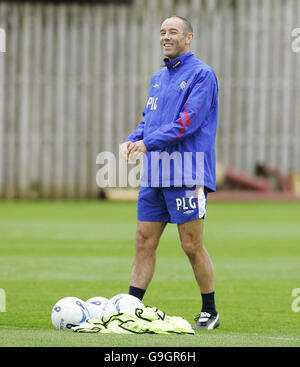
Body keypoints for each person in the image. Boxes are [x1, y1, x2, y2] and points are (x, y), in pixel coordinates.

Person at [121, 15, 220, 330]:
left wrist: (147, 142)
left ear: (189, 38)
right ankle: (131, 307)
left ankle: (210, 311)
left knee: (191, 244)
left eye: (173, 32)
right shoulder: (158, 78)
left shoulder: (202, 75)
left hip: (186, 172)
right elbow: (147, 119)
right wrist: (133, 139)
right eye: (162, 32)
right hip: (155, 174)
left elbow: (188, 122)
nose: (166, 36)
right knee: (143, 240)